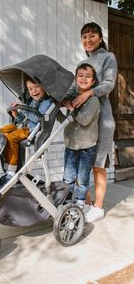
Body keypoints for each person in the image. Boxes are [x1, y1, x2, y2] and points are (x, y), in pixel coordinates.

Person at [65, 22, 118, 222]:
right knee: (81, 165)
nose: (88, 39)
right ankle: (84, 203)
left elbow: (108, 85)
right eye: (84, 36)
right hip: (82, 122)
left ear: (100, 38)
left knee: (98, 165)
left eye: (92, 35)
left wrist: (88, 93)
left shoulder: (108, 57)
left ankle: (98, 207)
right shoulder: (81, 63)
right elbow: (72, 89)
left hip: (102, 119)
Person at [0, 76, 53, 187]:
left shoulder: (47, 102)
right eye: (30, 89)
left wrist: (23, 108)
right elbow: (21, 119)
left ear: (43, 87)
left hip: (31, 130)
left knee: (12, 137)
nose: (34, 91)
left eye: (37, 87)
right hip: (21, 126)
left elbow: (38, 119)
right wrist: (16, 114)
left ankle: (11, 171)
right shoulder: (31, 101)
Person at [59, 63, 100, 208]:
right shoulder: (71, 97)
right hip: (70, 144)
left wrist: (70, 107)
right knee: (68, 176)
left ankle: (81, 203)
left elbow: (84, 120)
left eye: (88, 76)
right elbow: (64, 120)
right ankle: (67, 201)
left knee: (82, 178)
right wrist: (58, 107)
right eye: (80, 76)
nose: (83, 79)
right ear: (76, 79)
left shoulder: (93, 100)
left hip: (86, 146)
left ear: (93, 81)